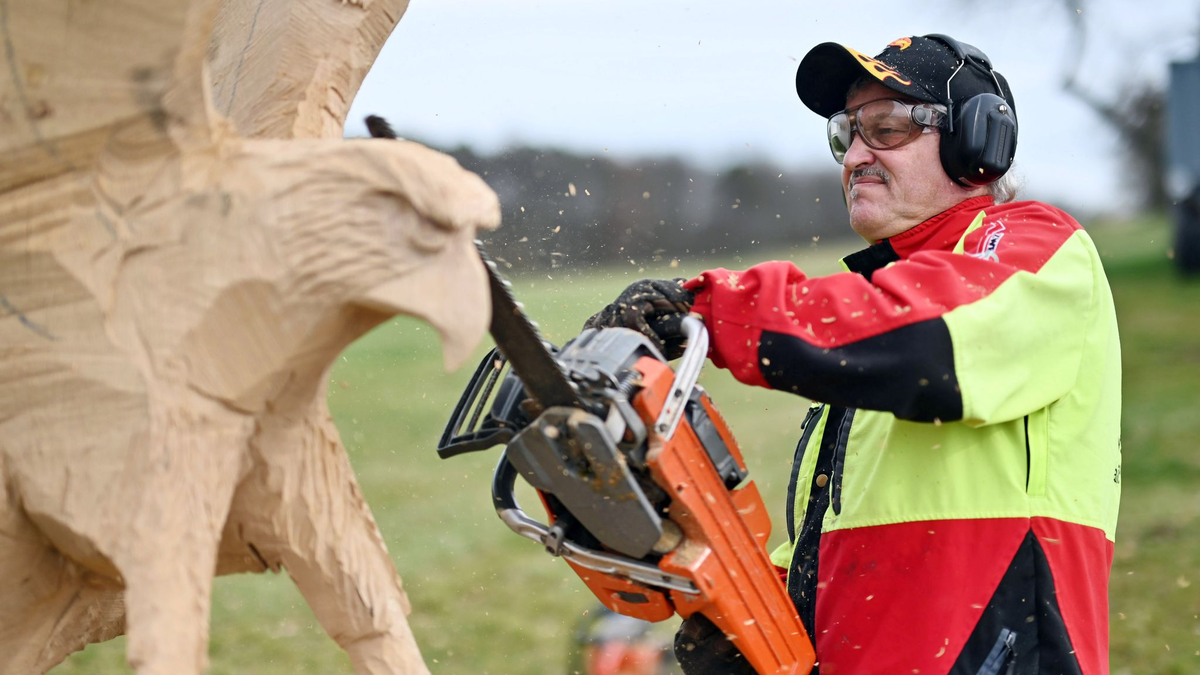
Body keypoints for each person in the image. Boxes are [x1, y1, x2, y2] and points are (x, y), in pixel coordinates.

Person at [585, 34, 1121, 675]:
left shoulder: (1036, 249)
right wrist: (753, 619)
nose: (856, 156)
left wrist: (706, 311)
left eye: (887, 128)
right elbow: (840, 547)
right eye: (848, 134)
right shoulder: (869, 328)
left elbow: (929, 339)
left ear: (979, 143)